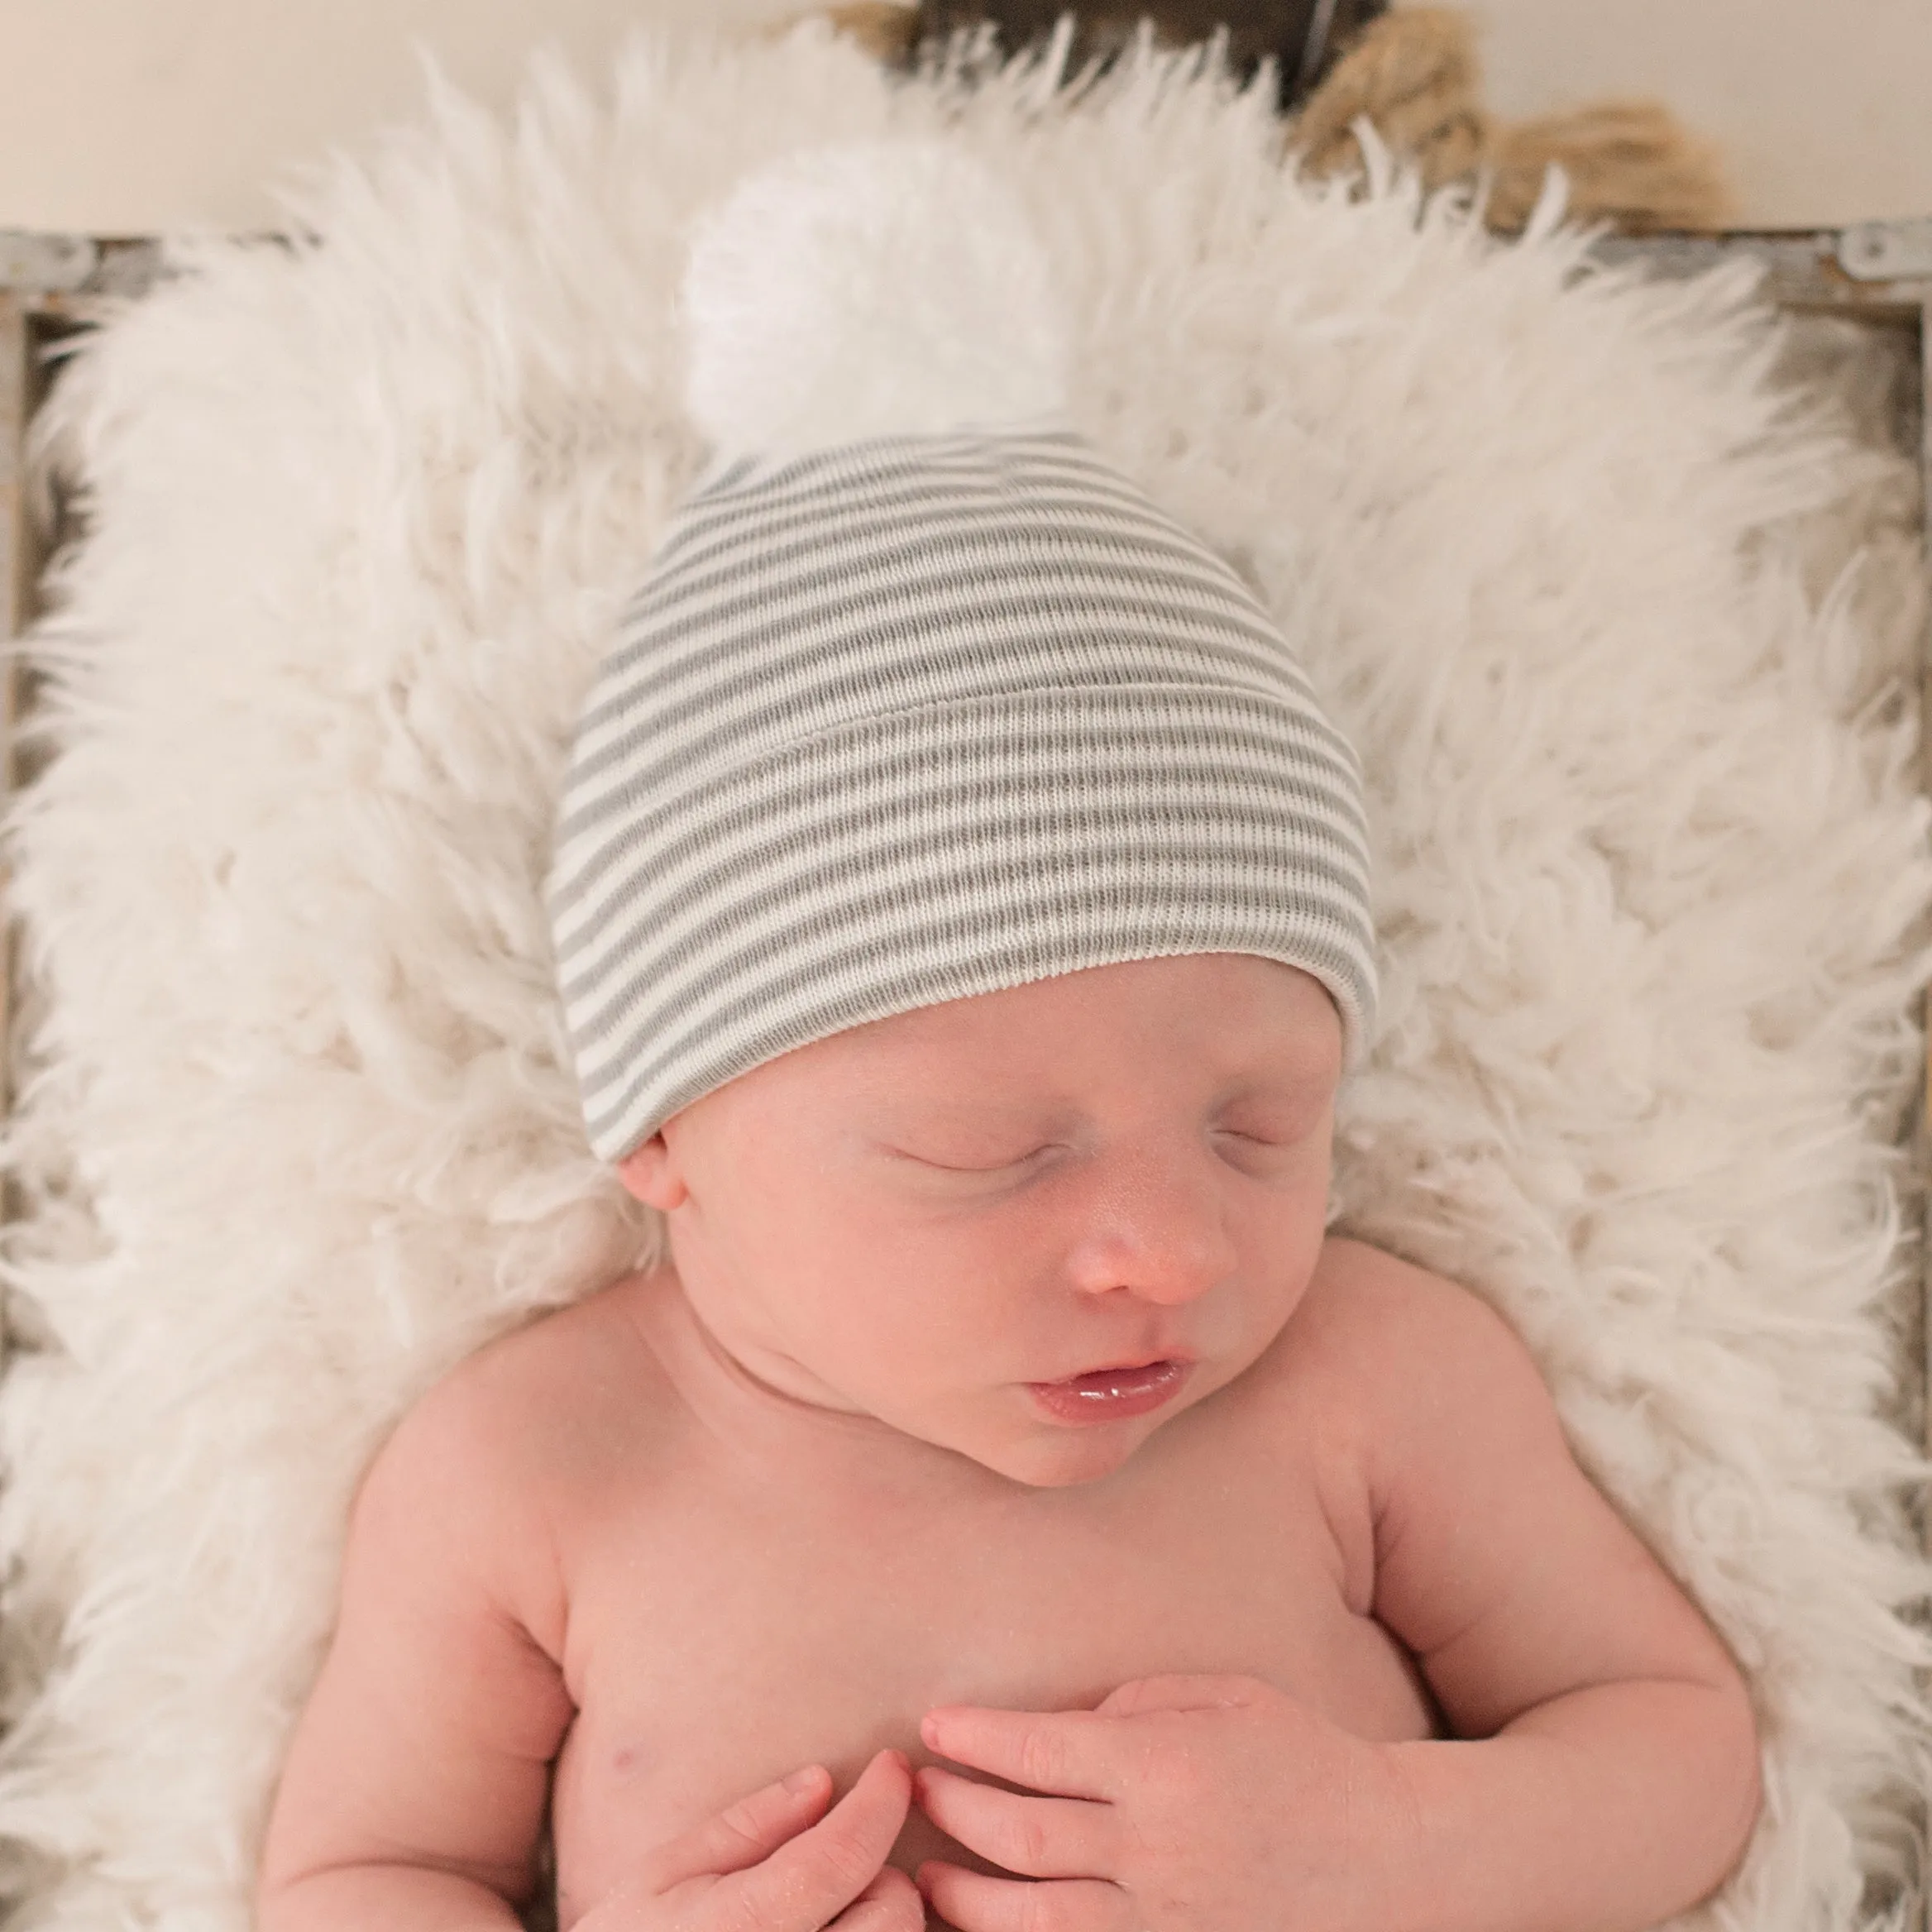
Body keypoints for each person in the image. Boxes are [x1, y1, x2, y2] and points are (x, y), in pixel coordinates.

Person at [254, 137, 1762, 1932]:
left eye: (1260, 1124)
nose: (1171, 1248)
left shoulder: (1370, 1388)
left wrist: (1385, 1847)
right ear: (662, 1129)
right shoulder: (536, 1473)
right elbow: (360, 1874)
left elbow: (1678, 1749)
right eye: (991, 1153)